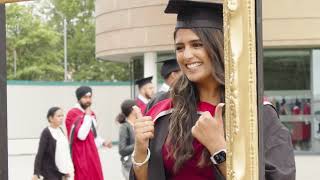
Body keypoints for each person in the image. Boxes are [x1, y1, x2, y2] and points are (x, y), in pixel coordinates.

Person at [130, 0, 296, 180]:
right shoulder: (162, 108)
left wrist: (219, 149)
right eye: (180, 47)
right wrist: (140, 150)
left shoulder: (255, 113)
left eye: (197, 44)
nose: (186, 55)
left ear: (219, 46)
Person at [65, 86, 112, 180]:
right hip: (80, 156)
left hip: (92, 155)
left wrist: (103, 142)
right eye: (85, 97)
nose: (88, 100)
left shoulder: (91, 114)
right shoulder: (72, 114)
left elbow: (93, 137)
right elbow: (81, 136)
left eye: (90, 97)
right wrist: (87, 116)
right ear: (79, 99)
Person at [33, 107, 74, 180]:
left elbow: (65, 152)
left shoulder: (60, 130)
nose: (61, 118)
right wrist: (36, 173)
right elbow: (40, 153)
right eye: (58, 116)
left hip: (61, 172)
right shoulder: (46, 132)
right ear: (51, 118)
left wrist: (66, 171)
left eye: (62, 116)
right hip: (50, 172)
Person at [116, 99, 137, 180]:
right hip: (129, 165)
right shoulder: (125, 127)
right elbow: (122, 150)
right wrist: (138, 144)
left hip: (137, 164)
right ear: (132, 110)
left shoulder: (136, 124)